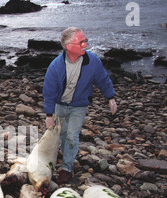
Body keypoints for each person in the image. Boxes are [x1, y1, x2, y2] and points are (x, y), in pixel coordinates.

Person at [43, 27, 117, 185]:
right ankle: (65, 152)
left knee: (71, 135)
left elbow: (103, 79)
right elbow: (49, 93)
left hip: (79, 106)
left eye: (85, 41)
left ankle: (66, 169)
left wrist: (111, 97)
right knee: (62, 134)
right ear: (69, 47)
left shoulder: (93, 61)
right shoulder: (55, 67)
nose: (85, 45)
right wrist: (49, 115)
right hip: (60, 106)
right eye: (81, 42)